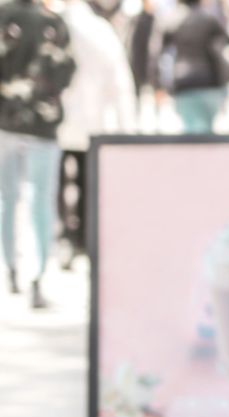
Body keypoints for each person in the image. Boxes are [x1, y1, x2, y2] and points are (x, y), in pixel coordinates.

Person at [0, 0, 77, 308]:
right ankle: (37, 275)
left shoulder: (5, 18)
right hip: (42, 126)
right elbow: (67, 71)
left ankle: (13, 269)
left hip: (6, 122)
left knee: (9, 199)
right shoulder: (53, 24)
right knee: (40, 201)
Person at [57, 0, 138, 266]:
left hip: (58, 118)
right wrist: (128, 128)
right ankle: (82, 236)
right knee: (86, 180)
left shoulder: (59, 23)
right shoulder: (98, 29)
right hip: (91, 119)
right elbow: (119, 81)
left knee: (59, 180)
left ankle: (66, 234)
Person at [159, 0, 229, 133]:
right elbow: (220, 52)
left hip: (184, 84)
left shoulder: (172, 22)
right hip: (208, 83)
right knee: (205, 132)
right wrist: (224, 84)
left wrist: (160, 85)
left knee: (192, 132)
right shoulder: (210, 20)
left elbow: (160, 55)